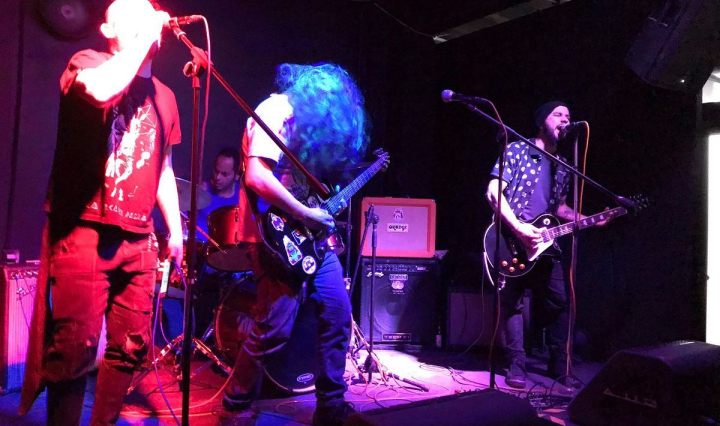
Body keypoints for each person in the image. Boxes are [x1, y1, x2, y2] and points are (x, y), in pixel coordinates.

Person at [19, 1, 183, 424]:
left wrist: (176, 231)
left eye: (150, 11)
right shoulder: (87, 63)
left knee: (130, 348)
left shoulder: (165, 97)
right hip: (85, 230)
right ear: (109, 29)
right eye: (134, 12)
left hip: (139, 237)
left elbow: (163, 166)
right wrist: (145, 38)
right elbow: (101, 91)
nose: (148, 16)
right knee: (74, 348)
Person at [222, 63, 368, 426]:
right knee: (273, 329)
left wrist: (322, 206)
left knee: (337, 314)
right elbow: (257, 176)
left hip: (312, 241)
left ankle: (331, 408)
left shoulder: (308, 126)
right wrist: (305, 213)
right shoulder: (276, 110)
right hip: (272, 239)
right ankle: (235, 406)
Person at [485, 101, 605, 390]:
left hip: (545, 245)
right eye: (558, 114)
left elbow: (560, 208)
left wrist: (590, 219)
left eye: (568, 115)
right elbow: (493, 192)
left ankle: (559, 366)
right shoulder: (517, 150)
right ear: (542, 122)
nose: (565, 119)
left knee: (560, 301)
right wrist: (519, 228)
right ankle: (516, 365)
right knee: (512, 303)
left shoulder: (563, 165)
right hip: (510, 239)